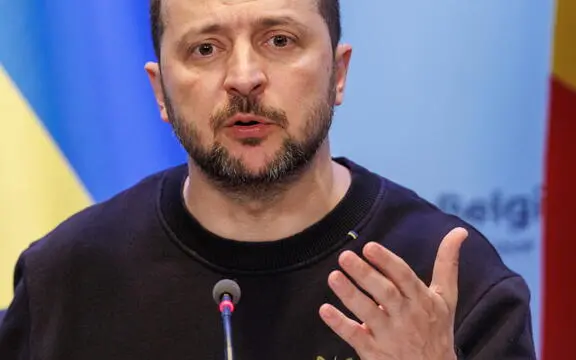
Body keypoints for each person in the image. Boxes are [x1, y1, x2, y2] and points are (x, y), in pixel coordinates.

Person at [0, 0, 536, 359]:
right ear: (160, 91)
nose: (243, 79)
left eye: (279, 41)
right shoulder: (67, 279)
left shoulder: (448, 283)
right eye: (204, 49)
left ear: (338, 73)